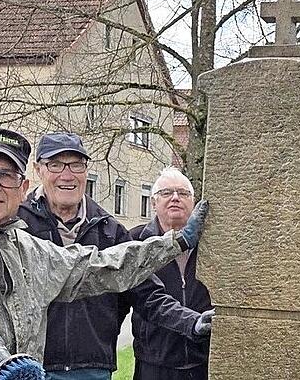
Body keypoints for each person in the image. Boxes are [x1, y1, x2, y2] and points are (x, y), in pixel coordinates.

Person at [0, 126, 206, 380]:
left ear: (22, 187)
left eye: (6, 176)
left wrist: (177, 242)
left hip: (87, 367)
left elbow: (102, 267)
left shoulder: (26, 248)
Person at [17, 133, 213, 380]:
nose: (67, 175)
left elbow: (147, 294)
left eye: (76, 165)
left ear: (86, 170)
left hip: (91, 370)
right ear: (38, 169)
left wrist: (192, 323)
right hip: (29, 366)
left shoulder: (109, 230)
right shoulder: (17, 224)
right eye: (55, 164)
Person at [124, 167, 214, 380]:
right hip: (154, 365)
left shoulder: (212, 246)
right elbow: (144, 299)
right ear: (153, 203)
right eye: (166, 193)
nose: (175, 198)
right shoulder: (135, 241)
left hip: (203, 363)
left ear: (193, 202)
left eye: (183, 193)